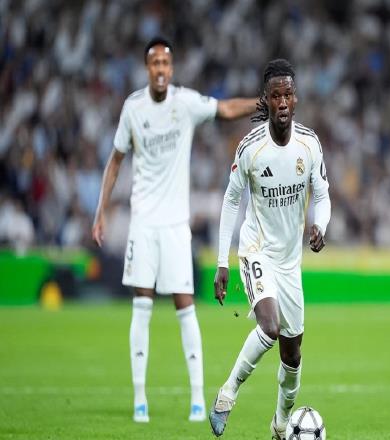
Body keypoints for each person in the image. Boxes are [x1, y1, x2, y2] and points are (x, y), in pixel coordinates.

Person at [91, 36, 257, 424]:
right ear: (147, 68)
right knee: (142, 307)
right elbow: (115, 161)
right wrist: (101, 212)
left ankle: (198, 399)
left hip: (176, 226)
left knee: (186, 306)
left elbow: (225, 109)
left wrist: (262, 103)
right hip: (143, 223)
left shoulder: (186, 103)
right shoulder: (133, 108)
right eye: (155, 63)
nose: (161, 69)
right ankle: (139, 400)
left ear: (172, 68)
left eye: (166, 63)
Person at [208, 59, 331, 439]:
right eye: (275, 96)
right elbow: (231, 200)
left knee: (292, 359)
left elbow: (322, 194)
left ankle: (280, 424)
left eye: (288, 95)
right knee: (270, 327)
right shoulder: (250, 148)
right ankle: (227, 393)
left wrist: (320, 225)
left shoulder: (309, 144)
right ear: (266, 99)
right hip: (256, 249)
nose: (282, 102)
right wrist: (222, 262)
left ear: (296, 99)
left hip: (290, 262)